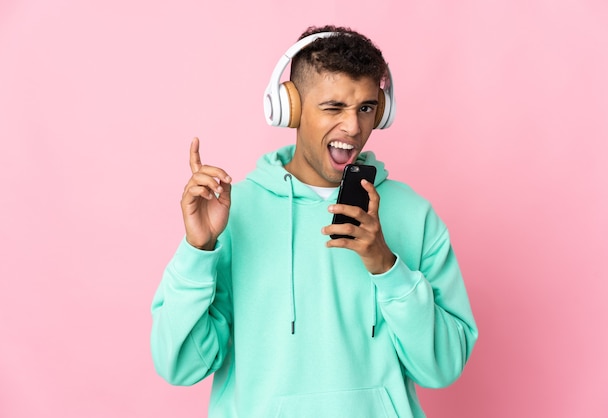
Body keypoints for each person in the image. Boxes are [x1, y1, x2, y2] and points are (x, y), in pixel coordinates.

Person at [151, 25, 478, 417]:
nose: (354, 128)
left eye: (366, 108)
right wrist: (198, 250)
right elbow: (180, 365)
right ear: (290, 108)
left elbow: (442, 368)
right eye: (333, 107)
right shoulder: (232, 213)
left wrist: (387, 268)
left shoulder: (414, 215)